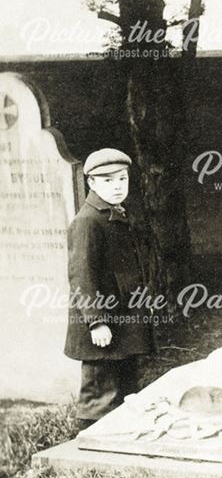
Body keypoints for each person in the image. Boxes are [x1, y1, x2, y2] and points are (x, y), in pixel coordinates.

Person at [64, 148, 155, 431]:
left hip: (123, 314)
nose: (117, 186)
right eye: (107, 180)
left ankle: (119, 435)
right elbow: (82, 275)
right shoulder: (87, 221)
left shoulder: (115, 214)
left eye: (122, 179)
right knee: (100, 389)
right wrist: (96, 321)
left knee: (125, 383)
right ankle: (89, 442)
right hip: (102, 320)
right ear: (91, 182)